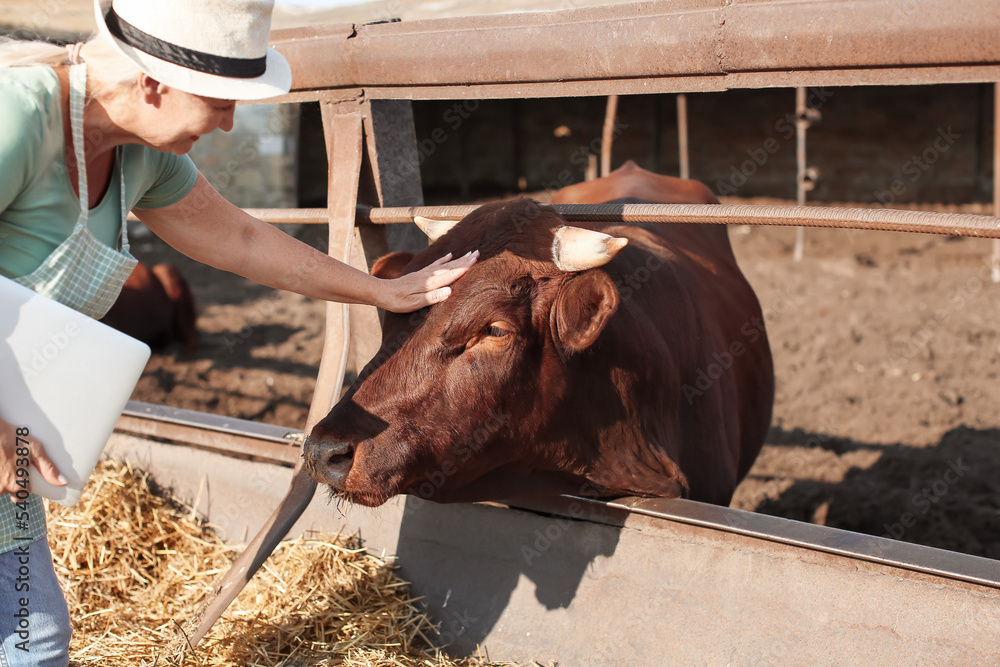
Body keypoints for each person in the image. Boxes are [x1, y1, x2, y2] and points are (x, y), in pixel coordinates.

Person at [0, 0, 477, 663]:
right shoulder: (18, 115)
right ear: (152, 83)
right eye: (220, 101)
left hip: (9, 465)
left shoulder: (139, 155)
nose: (227, 123)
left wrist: (380, 288)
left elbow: (243, 240)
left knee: (33, 637)